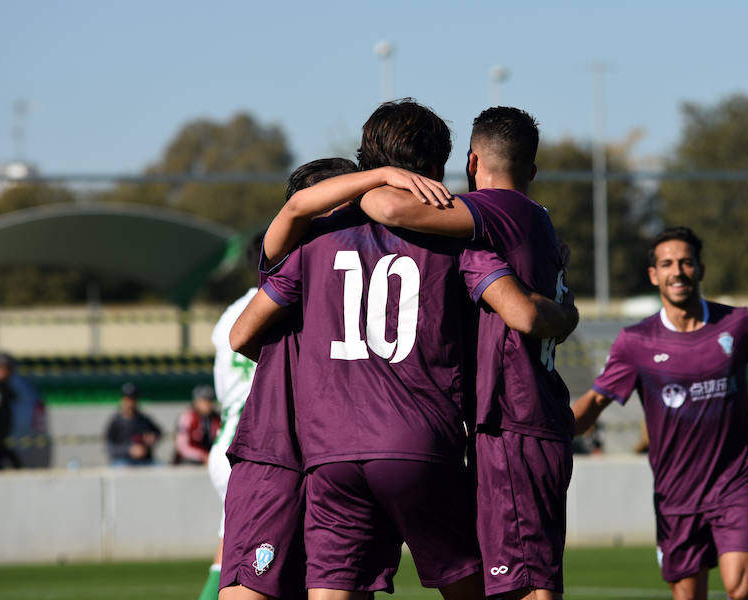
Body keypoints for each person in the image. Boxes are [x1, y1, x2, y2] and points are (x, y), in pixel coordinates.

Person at [232, 99, 576, 600]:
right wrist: (564, 312)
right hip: (419, 444)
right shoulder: (456, 241)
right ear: (440, 169)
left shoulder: (316, 239)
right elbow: (519, 310)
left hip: (330, 454)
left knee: (333, 590)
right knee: (490, 587)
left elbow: (242, 336)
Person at [355, 106, 576, 599]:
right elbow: (558, 312)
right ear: (533, 170)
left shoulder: (496, 210)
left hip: (514, 421)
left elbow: (387, 208)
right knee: (525, 578)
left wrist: (376, 177)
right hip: (529, 419)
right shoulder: (535, 222)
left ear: (473, 162)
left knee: (525, 587)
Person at [571, 226, 748, 600]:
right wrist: (553, 432)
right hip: (675, 494)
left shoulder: (738, 324)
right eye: (667, 264)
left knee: (740, 585)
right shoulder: (635, 342)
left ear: (700, 269)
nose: (678, 271)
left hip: (735, 483)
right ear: (654, 275)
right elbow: (596, 401)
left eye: (686, 262)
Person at [220, 157, 361, 600]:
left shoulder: (353, 266)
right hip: (279, 457)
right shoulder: (296, 256)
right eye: (347, 197)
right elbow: (240, 335)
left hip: (334, 460)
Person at [196, 233, 264, 600]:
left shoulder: (230, 315)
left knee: (227, 556)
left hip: (227, 441)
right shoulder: (284, 300)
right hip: (255, 448)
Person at [104, 382, 162, 467]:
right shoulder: (116, 421)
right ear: (122, 400)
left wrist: (153, 438)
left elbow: (158, 433)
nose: (130, 403)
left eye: (133, 399)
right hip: (124, 460)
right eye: (128, 399)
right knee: (121, 467)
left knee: (161, 467)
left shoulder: (144, 419)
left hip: (145, 461)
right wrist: (129, 450)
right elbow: (109, 447)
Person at [173, 384, 221, 465]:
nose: (207, 404)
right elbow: (182, 447)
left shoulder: (217, 418)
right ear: (196, 402)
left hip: (212, 460)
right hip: (188, 462)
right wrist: (202, 456)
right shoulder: (188, 417)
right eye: (204, 401)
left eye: (210, 401)